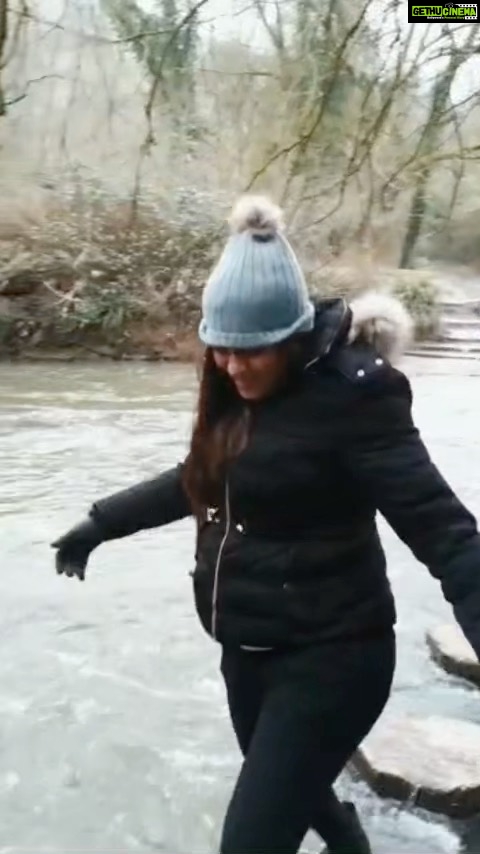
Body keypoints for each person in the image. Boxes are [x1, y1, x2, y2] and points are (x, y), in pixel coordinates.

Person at [52, 195, 480, 854]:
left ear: (293, 336)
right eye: (221, 350)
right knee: (292, 786)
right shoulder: (233, 393)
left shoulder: (356, 402)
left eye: (252, 351)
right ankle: (350, 842)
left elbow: (442, 530)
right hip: (249, 653)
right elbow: (197, 479)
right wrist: (100, 523)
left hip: (335, 657)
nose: (233, 365)